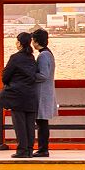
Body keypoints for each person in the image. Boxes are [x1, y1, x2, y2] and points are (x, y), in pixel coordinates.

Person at [0, 32, 41, 158]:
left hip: (18, 96)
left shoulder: (15, 57)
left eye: (17, 41)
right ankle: (29, 151)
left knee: (19, 124)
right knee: (30, 125)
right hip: (31, 95)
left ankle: (22, 151)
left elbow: (5, 76)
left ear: (20, 43)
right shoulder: (31, 57)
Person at [32, 27, 54, 157]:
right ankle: (43, 148)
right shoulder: (48, 53)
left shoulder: (43, 55)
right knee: (42, 122)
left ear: (35, 41)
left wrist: (30, 76)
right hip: (46, 92)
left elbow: (43, 75)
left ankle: (43, 149)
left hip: (42, 93)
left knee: (41, 123)